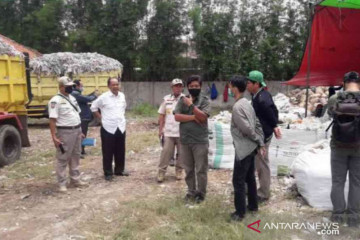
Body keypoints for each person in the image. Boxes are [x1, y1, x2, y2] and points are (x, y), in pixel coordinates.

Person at [228, 75, 265, 221]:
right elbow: (257, 124)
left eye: (230, 87)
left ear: (235, 88)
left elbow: (247, 129)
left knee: (238, 180)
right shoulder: (247, 103)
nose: (229, 89)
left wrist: (259, 141)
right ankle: (253, 206)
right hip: (251, 148)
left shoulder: (237, 107)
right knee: (250, 178)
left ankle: (240, 213)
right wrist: (259, 141)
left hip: (244, 149)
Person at [327, 71, 360, 228]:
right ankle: (354, 217)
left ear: (344, 82)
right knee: (357, 183)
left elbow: (329, 114)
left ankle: (338, 216)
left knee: (338, 182)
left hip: (338, 146)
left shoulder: (334, 98)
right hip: (359, 147)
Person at [174, 75, 210, 203]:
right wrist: (193, 117)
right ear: (188, 87)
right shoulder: (181, 100)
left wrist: (191, 106)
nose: (194, 88)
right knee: (188, 169)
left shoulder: (204, 100)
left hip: (200, 140)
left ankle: (201, 193)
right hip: (185, 140)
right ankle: (191, 191)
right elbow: (177, 117)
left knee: (201, 169)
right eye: (191, 86)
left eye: (196, 86)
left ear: (200, 87)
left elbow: (203, 117)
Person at [246, 70, 281, 202]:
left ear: (256, 84)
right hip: (259, 134)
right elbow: (275, 110)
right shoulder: (259, 95)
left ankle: (264, 193)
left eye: (249, 82)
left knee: (262, 164)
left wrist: (274, 127)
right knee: (254, 162)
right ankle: (250, 187)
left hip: (263, 136)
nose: (247, 84)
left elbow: (271, 113)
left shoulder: (262, 99)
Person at [48, 76, 87, 192]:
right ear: (61, 87)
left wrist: (80, 131)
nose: (71, 88)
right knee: (63, 158)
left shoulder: (72, 98)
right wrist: (54, 137)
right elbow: (52, 120)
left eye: (71, 86)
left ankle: (75, 179)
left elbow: (76, 114)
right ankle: (62, 183)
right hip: (65, 132)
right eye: (68, 87)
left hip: (77, 130)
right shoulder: (55, 101)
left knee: (76, 155)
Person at [91, 77, 129, 181]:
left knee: (120, 150)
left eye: (117, 84)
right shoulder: (103, 97)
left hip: (120, 126)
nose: (116, 86)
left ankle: (119, 170)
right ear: (109, 86)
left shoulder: (122, 96)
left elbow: (123, 108)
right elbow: (93, 107)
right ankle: (108, 173)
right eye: (113, 85)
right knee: (108, 151)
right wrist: (100, 118)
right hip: (108, 128)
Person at [157, 78, 185, 183]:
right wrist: (160, 130)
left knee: (182, 153)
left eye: (179, 86)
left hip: (181, 131)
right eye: (175, 86)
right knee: (165, 153)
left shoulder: (185, 99)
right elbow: (162, 115)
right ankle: (161, 172)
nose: (178, 88)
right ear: (172, 87)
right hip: (168, 131)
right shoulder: (166, 99)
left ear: (182, 87)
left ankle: (179, 171)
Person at [71, 79, 97, 157]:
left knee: (83, 134)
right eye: (81, 86)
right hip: (82, 117)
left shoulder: (76, 93)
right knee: (81, 135)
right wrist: (95, 95)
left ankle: (82, 150)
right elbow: (87, 99)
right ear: (77, 86)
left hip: (83, 117)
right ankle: (79, 152)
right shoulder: (75, 94)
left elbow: (85, 97)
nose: (82, 87)